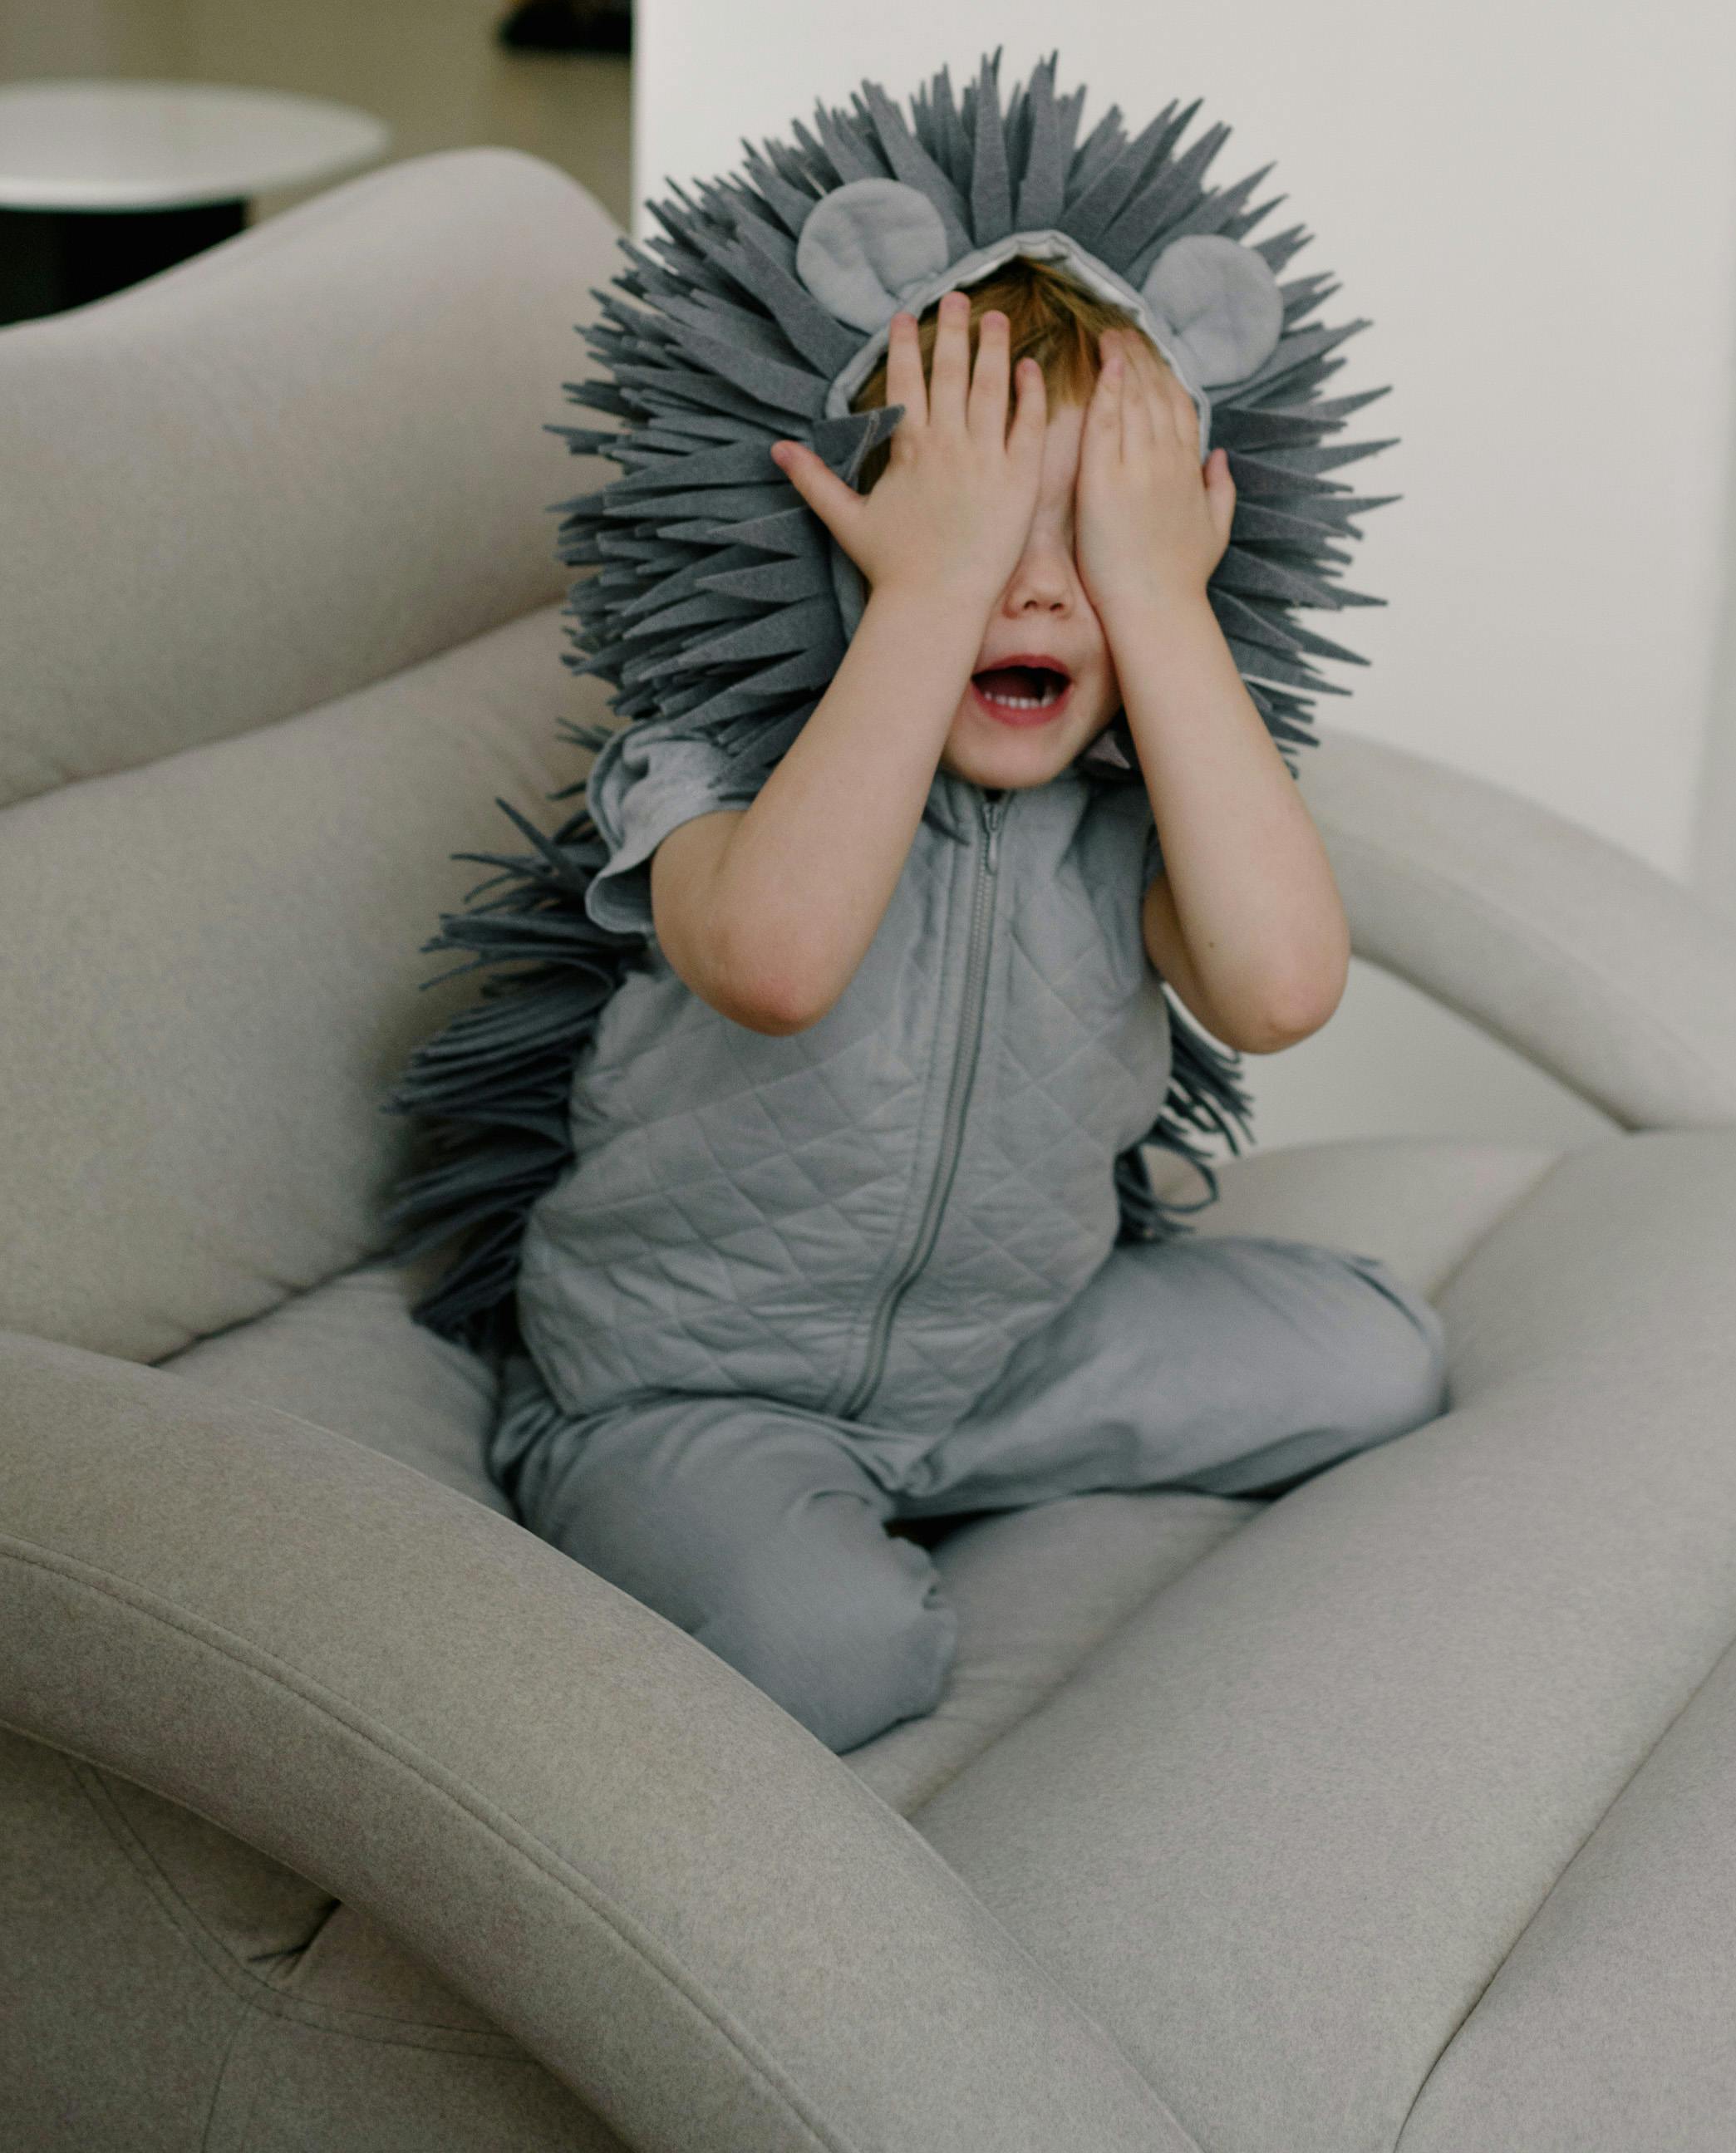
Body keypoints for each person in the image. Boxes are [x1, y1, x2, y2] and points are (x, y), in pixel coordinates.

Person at [484, 253, 1446, 1755]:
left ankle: (919, 1471)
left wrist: (1159, 602)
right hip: (688, 1387)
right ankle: (791, 1523)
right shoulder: (708, 766)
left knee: (1380, 1358)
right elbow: (776, 965)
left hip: (1008, 1351)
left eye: (1093, 537)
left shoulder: (1131, 814)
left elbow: (1276, 992)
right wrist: (929, 590)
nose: (1039, 583)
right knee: (834, 1655)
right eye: (973, 522)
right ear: (833, 531)